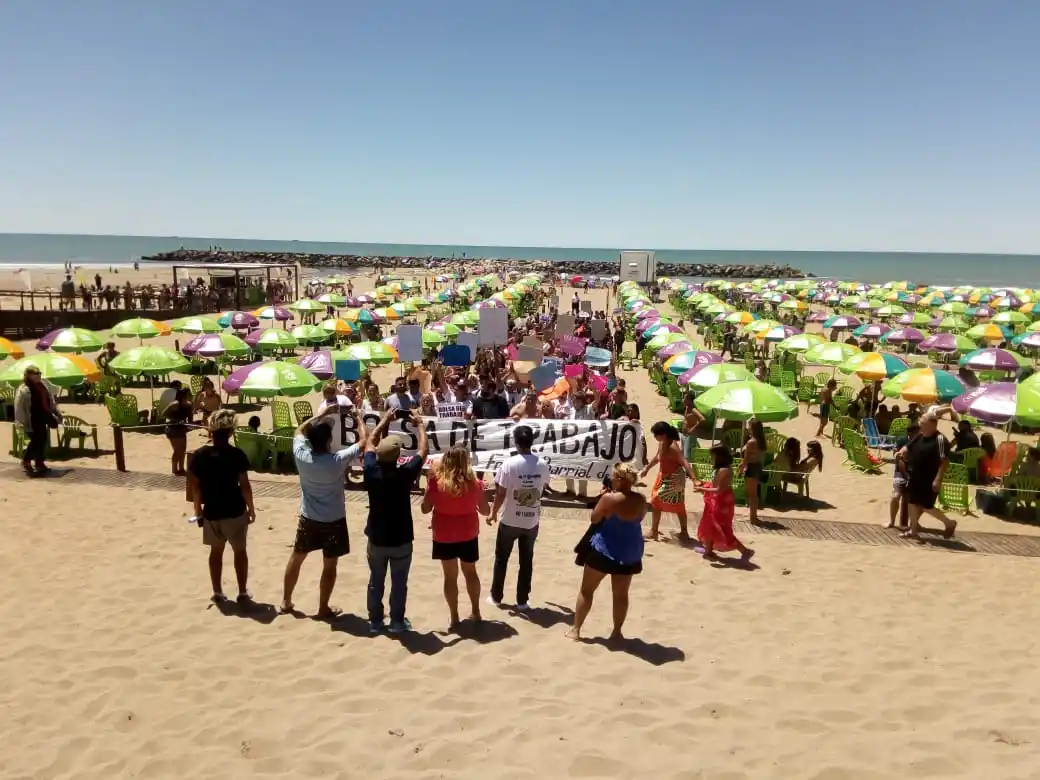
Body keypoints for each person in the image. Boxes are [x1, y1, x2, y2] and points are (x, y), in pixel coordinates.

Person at [280, 404, 365, 618]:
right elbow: (363, 442)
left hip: (308, 516)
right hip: (333, 519)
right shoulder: (336, 461)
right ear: (328, 440)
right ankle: (323, 607)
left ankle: (286, 600)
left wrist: (322, 414)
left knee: (297, 557)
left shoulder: (302, 454)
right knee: (329, 565)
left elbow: (298, 430)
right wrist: (358, 418)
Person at [363, 409, 428, 632]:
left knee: (376, 580)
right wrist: (420, 425)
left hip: (377, 536)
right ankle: (397, 621)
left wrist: (384, 420)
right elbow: (423, 451)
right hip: (401, 537)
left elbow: (369, 442)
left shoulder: (371, 470)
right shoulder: (405, 474)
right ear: (398, 457)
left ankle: (375, 621)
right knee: (399, 583)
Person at [566, 464, 646, 641]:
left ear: (619, 479)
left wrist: (604, 499)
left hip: (605, 549)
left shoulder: (609, 498)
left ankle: (576, 630)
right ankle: (617, 632)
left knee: (587, 590)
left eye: (613, 476)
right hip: (629, 551)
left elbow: (595, 518)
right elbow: (640, 517)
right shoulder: (640, 499)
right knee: (621, 594)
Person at [187, 410, 255, 604]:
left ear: (211, 431)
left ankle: (217, 591)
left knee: (216, 552)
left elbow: (195, 488)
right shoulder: (236, 454)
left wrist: (197, 511)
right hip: (234, 510)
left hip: (212, 511)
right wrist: (251, 508)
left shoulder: (200, 455)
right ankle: (242, 592)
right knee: (240, 552)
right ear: (231, 432)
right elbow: (245, 485)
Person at [421, 446, 490, 629]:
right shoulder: (475, 484)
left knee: (450, 577)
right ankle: (476, 611)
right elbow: (485, 511)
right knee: (470, 572)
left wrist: (429, 490)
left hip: (444, 534)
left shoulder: (436, 482)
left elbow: (425, 509)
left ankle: (454, 616)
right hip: (468, 533)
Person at [488, 425, 550, 610]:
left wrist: (493, 512)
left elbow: (500, 493)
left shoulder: (509, 464)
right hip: (531, 520)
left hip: (510, 519)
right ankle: (522, 600)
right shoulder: (542, 464)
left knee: (501, 559)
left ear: (516, 443)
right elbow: (544, 485)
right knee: (526, 560)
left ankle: (496, 597)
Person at [899, 407, 957, 540]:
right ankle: (913, 530)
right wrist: (902, 451)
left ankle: (949, 523)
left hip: (929, 478)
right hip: (915, 475)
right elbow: (908, 446)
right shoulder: (920, 435)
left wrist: (938, 479)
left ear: (931, 424)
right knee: (912, 502)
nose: (919, 424)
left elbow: (944, 461)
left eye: (922, 422)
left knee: (926, 506)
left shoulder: (940, 439)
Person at [694, 445, 755, 562]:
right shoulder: (719, 468)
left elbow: (719, 489)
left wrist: (703, 489)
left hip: (722, 502)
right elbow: (715, 484)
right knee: (711, 525)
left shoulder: (725, 470)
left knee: (721, 528)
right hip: (715, 500)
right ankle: (708, 551)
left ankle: (745, 551)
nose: (711, 458)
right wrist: (704, 484)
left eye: (713, 456)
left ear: (719, 457)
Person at [642, 421, 695, 541]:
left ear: (663, 435)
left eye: (656, 435)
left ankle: (684, 532)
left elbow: (684, 462)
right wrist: (647, 469)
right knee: (656, 504)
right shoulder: (662, 443)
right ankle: (654, 531)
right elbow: (657, 457)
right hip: (662, 477)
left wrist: (694, 479)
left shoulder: (673, 446)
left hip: (675, 478)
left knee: (672, 503)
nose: (654, 437)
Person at [14, 366, 61, 476]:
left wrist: (56, 411)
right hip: (31, 418)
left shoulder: (43, 385)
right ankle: (27, 460)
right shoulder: (24, 389)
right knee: (36, 440)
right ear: (29, 375)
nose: (39, 375)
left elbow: (50, 399)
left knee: (42, 439)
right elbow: (19, 406)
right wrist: (20, 421)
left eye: (40, 373)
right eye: (36, 373)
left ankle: (39, 463)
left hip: (43, 415)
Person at [887, 423, 919, 529]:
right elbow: (897, 458)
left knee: (907, 500)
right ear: (910, 433)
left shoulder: (920, 442)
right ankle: (891, 521)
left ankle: (905, 524)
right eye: (917, 432)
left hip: (913, 472)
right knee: (895, 496)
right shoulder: (902, 441)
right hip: (900, 472)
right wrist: (906, 474)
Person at [163, 387, 194, 475]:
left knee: (183, 450)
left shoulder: (189, 405)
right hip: (172, 428)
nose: (191, 396)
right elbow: (164, 414)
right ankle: (174, 469)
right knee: (178, 450)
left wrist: (194, 425)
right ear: (183, 396)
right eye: (189, 395)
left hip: (182, 428)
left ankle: (181, 468)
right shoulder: (175, 404)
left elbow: (190, 420)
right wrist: (175, 420)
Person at [741, 420, 766, 525]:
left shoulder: (752, 442)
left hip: (751, 467)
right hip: (757, 466)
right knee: (753, 494)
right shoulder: (761, 441)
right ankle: (753, 516)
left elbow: (746, 459)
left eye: (750, 427)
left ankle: (753, 518)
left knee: (752, 495)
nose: (748, 428)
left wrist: (741, 469)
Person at [317, 381, 352, 450]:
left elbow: (352, 408)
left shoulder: (343, 399)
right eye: (327, 392)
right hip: (332, 439)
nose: (330, 394)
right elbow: (319, 421)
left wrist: (340, 409)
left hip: (347, 436)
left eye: (332, 392)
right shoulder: (322, 407)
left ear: (335, 391)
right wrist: (326, 412)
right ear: (324, 394)